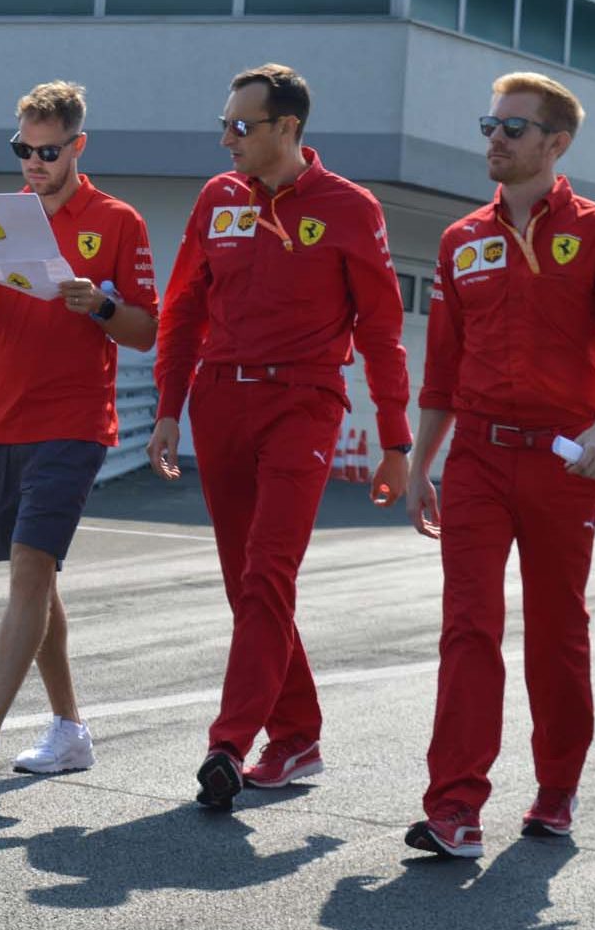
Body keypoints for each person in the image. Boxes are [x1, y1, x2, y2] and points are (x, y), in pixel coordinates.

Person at [146, 64, 412, 810]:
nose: (227, 138)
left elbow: (384, 331)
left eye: (242, 126)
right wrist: (169, 408)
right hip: (218, 401)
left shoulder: (350, 207)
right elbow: (182, 312)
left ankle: (229, 742)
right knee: (246, 584)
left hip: (304, 400)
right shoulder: (216, 198)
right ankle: (297, 734)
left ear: (287, 128)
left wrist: (395, 440)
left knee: (269, 572)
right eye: (224, 124)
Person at [403, 73, 595, 858]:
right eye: (490, 124)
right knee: (468, 627)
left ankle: (556, 787)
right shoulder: (459, 239)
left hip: (562, 463)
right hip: (476, 454)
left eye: (513, 128)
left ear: (556, 143)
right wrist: (421, 467)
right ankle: (454, 810)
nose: (495, 139)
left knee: (556, 629)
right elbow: (441, 370)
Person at [0, 81, 159, 787]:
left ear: (77, 147)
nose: (33, 161)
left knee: (32, 568)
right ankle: (70, 728)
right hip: (0, 421)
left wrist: (102, 304)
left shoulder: (118, 221)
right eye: (22, 148)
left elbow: (147, 332)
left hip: (75, 423)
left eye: (47, 150)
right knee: (38, 580)